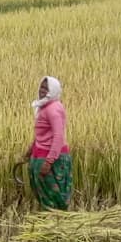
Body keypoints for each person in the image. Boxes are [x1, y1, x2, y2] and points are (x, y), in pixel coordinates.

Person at [23, 76, 72, 210]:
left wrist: (49, 161)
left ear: (54, 90)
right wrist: (30, 150)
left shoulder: (53, 109)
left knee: (53, 199)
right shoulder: (45, 107)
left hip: (50, 159)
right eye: (41, 87)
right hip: (40, 156)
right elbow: (43, 135)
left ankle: (55, 225)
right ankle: (51, 225)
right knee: (44, 195)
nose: (42, 90)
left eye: (46, 88)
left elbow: (58, 136)